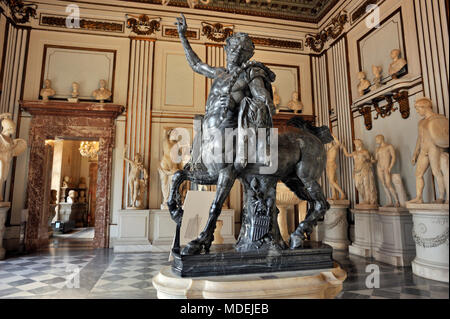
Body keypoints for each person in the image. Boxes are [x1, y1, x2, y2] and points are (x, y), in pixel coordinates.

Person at [408, 97, 449, 204]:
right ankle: (419, 197)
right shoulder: (421, 122)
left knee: (437, 172)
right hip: (424, 150)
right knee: (418, 174)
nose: (417, 111)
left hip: (434, 148)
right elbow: (419, 138)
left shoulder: (438, 118)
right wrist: (415, 153)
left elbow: (444, 134)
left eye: (418, 109)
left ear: (425, 107)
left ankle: (441, 196)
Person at [373, 135, 399, 207]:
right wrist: (373, 160)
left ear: (381, 139)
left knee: (388, 184)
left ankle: (396, 200)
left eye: (377, 139)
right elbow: (376, 159)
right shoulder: (377, 149)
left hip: (386, 166)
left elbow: (393, 157)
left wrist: (390, 166)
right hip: (379, 167)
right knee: (383, 184)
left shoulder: (389, 146)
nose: (376, 141)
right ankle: (390, 201)